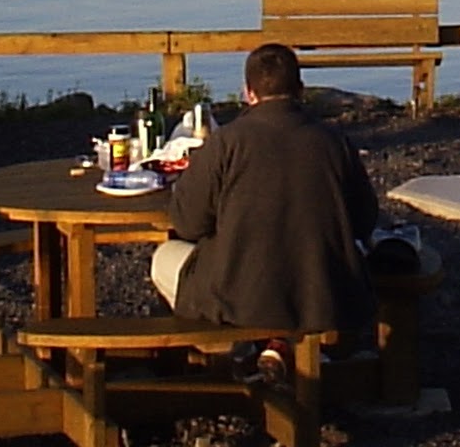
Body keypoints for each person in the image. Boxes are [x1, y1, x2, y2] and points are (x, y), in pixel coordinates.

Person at [150, 42, 379, 335]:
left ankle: (224, 351)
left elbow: (188, 223)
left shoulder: (226, 142)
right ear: (300, 89)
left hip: (240, 298)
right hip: (319, 295)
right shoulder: (335, 141)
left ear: (249, 93)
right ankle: (279, 348)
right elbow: (364, 222)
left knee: (163, 258)